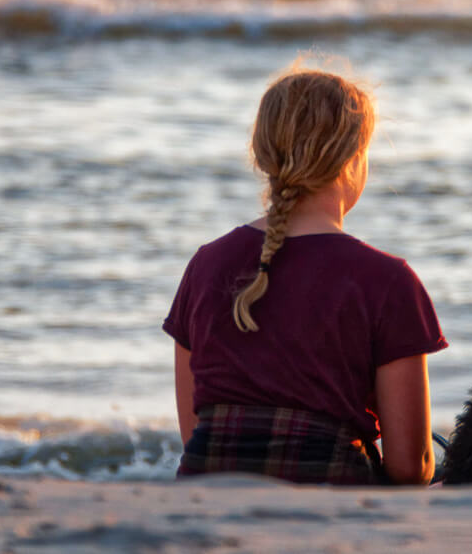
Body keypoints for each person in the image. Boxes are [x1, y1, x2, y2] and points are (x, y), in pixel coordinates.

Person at [163, 65, 447, 485]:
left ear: (262, 155)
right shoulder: (388, 281)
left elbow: (196, 434)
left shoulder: (205, 264)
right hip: (332, 496)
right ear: (354, 160)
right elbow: (409, 467)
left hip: (207, 493)